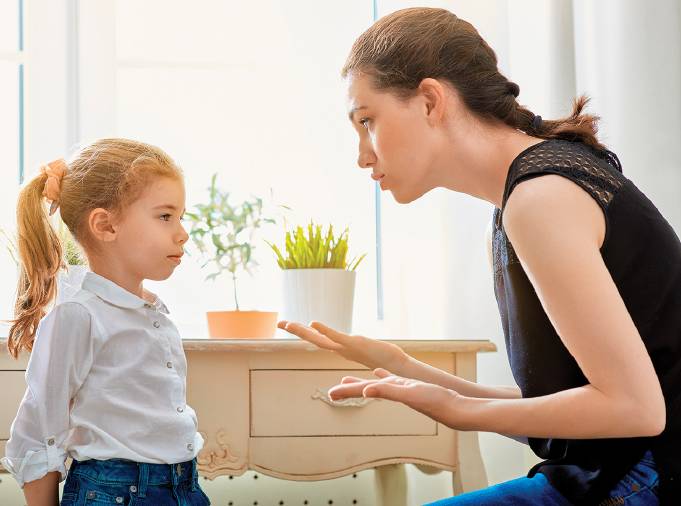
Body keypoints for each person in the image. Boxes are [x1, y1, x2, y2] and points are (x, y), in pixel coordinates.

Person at [279, 7, 680, 505]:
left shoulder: (540, 198)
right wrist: (407, 367)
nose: (362, 154)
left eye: (367, 121)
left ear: (429, 101)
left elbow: (635, 411)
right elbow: (574, 415)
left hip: (643, 478)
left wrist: (461, 410)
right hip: (624, 470)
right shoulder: (526, 195)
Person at [1, 139, 210, 506]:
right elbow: (38, 433)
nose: (182, 233)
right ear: (105, 225)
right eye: (165, 216)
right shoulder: (77, 314)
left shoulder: (154, 316)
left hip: (182, 486)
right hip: (116, 493)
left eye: (181, 217)